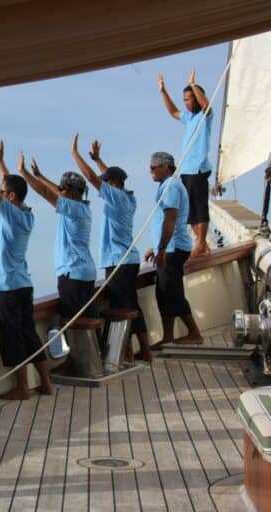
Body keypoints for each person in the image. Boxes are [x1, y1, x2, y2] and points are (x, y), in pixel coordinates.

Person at [0, 140, 52, 400]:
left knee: (14, 337)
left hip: (8, 287)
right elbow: (8, 186)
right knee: (28, 334)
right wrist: (0, 163)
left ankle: (21, 388)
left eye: (5, 191)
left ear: (11, 197)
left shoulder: (14, 216)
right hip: (21, 284)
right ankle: (45, 383)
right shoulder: (25, 213)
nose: (1, 190)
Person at [72, 135, 154, 362]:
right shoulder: (128, 197)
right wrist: (99, 160)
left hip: (118, 261)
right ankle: (145, 350)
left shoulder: (116, 197)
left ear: (114, 184)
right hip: (128, 260)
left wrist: (75, 154)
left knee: (120, 309)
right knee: (131, 305)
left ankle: (126, 354)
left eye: (106, 182)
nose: (103, 186)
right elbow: (110, 176)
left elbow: (89, 177)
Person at [16, 153, 98, 321]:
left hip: (73, 274)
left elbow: (46, 193)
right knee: (86, 319)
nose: (61, 191)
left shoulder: (73, 209)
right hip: (84, 273)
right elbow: (55, 191)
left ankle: (80, 348)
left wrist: (24, 173)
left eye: (64, 188)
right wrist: (40, 176)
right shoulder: (81, 207)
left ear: (75, 191)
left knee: (73, 323)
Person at [146, 151, 203, 346]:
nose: (150, 170)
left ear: (166, 167)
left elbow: (170, 219)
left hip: (173, 248)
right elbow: (166, 221)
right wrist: (155, 248)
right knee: (163, 293)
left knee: (173, 292)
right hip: (168, 247)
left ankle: (195, 333)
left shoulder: (170, 186)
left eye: (154, 167)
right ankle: (168, 337)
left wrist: (161, 250)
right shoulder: (167, 185)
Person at [159, 69, 213, 259]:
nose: (186, 102)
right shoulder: (189, 117)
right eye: (185, 99)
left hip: (199, 169)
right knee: (190, 213)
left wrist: (193, 84)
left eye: (189, 98)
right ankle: (202, 244)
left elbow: (206, 105)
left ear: (196, 98)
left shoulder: (205, 116)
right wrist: (163, 92)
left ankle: (200, 243)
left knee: (200, 209)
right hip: (186, 171)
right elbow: (174, 111)